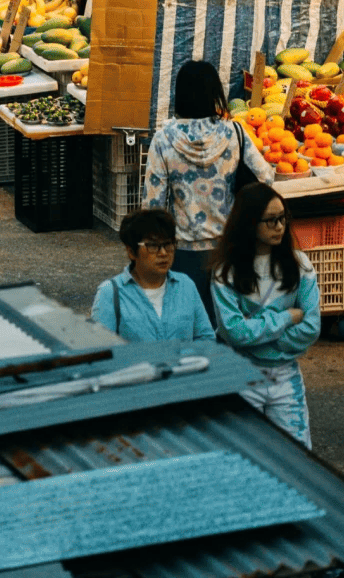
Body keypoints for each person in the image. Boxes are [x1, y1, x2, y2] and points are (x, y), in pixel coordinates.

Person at [142, 60, 273, 314]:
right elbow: (266, 180)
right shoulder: (235, 132)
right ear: (215, 94)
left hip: (182, 256)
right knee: (228, 324)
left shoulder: (163, 139)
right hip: (230, 250)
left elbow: (152, 207)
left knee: (190, 326)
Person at [210, 185, 321, 448]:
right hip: (241, 377)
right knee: (246, 458)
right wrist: (283, 319)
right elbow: (233, 332)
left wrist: (257, 339)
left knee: (297, 456)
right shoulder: (225, 273)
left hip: (286, 377)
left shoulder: (300, 265)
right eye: (271, 220)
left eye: (283, 218)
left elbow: (312, 327)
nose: (280, 226)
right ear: (249, 223)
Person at [91, 208, 215, 343]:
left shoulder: (186, 286)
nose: (163, 253)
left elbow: (205, 338)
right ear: (131, 252)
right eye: (153, 246)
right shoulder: (110, 293)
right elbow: (100, 352)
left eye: (168, 244)